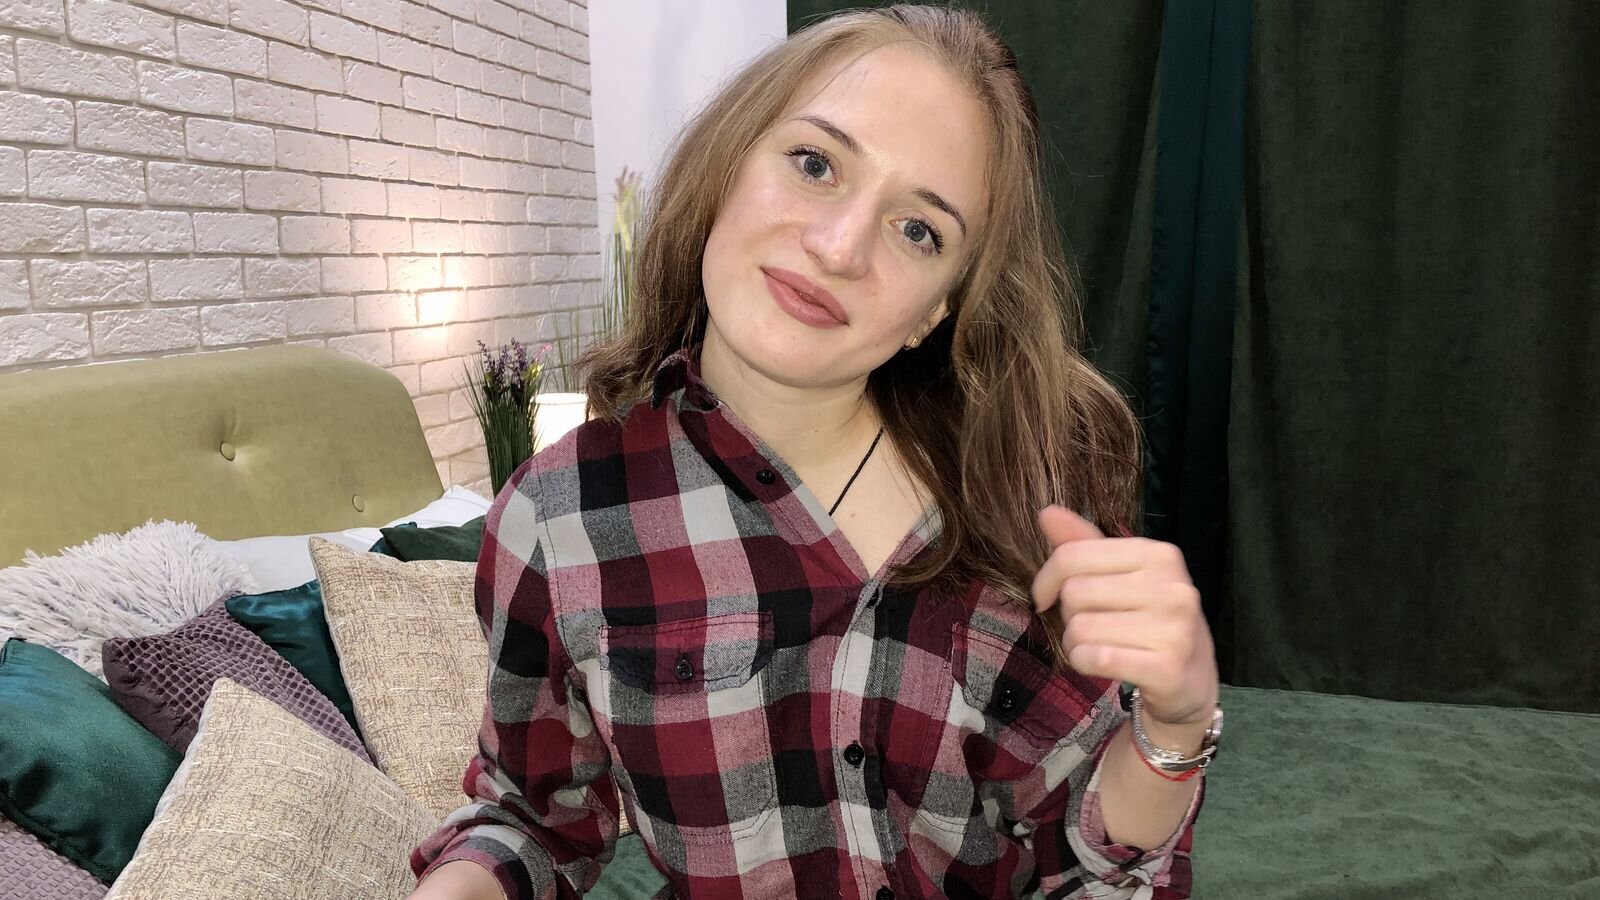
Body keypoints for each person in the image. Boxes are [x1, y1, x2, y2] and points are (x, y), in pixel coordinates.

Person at [407, 5, 1220, 899]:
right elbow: (533, 822)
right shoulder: (561, 517)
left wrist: (1175, 725)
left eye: (919, 230)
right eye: (815, 164)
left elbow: (1095, 859)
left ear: (936, 310)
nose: (838, 249)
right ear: (728, 164)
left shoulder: (1023, 489)